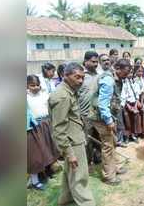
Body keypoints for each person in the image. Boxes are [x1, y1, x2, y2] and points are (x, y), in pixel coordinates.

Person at [48, 62, 95, 206]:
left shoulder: (68, 91)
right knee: (80, 177)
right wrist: (69, 153)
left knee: (71, 173)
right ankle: (87, 203)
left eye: (82, 77)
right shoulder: (63, 96)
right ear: (65, 76)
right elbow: (59, 129)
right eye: (77, 77)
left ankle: (66, 199)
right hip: (71, 143)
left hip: (74, 139)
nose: (80, 81)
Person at [87, 56, 128, 185]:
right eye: (125, 73)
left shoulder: (113, 78)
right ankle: (109, 176)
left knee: (113, 142)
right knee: (108, 146)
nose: (126, 76)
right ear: (117, 69)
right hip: (101, 118)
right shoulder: (108, 81)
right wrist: (109, 121)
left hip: (107, 116)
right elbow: (103, 104)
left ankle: (113, 168)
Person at [27, 75, 60, 182]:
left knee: (49, 147)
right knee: (40, 150)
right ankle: (40, 174)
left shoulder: (44, 95)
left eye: (37, 85)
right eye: (32, 85)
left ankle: (50, 170)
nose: (35, 87)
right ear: (27, 86)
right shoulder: (26, 97)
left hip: (47, 123)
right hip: (35, 126)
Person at [78, 51, 100, 167]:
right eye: (93, 62)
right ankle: (87, 163)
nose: (96, 64)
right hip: (84, 115)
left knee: (98, 137)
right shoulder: (80, 76)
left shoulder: (99, 75)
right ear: (85, 61)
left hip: (97, 114)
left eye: (97, 62)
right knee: (87, 140)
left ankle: (98, 159)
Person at [121, 70, 143, 143]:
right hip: (127, 104)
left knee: (134, 121)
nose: (130, 74)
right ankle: (127, 136)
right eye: (128, 73)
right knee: (127, 122)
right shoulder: (123, 83)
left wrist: (136, 106)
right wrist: (128, 106)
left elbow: (137, 96)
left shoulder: (135, 83)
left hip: (134, 104)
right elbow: (123, 97)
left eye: (131, 73)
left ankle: (134, 136)